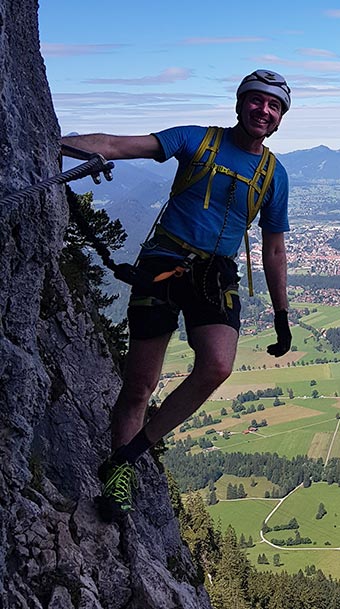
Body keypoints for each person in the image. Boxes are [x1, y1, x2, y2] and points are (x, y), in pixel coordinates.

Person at [61, 70, 294, 522]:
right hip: (163, 264)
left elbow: (275, 247)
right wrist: (53, 144)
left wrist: (282, 314)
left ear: (282, 116)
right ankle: (119, 474)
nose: (264, 111)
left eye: (274, 106)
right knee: (139, 385)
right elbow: (118, 146)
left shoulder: (273, 175)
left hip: (215, 273)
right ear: (240, 103)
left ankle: (127, 457)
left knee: (218, 365)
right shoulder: (196, 140)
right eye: (257, 101)